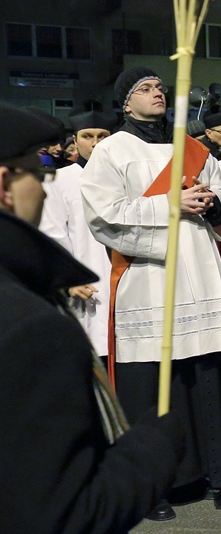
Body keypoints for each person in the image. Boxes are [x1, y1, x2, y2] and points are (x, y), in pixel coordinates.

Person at [0, 101, 186, 534]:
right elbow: (55, 522)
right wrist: (151, 449)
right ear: (4, 184)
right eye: (39, 166)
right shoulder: (32, 330)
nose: (46, 181)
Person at [80, 66, 221, 519]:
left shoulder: (191, 148)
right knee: (153, 385)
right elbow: (104, 215)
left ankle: (216, 473)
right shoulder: (112, 150)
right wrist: (172, 204)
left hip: (199, 268)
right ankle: (155, 488)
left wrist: (211, 205)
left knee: (204, 374)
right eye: (145, 88)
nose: (157, 93)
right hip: (150, 274)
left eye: (159, 88)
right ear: (125, 101)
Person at [38, 107, 118, 359]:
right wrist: (67, 279)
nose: (95, 144)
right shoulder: (59, 179)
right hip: (85, 283)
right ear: (75, 140)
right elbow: (53, 234)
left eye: (102, 136)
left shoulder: (123, 176)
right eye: (87, 136)